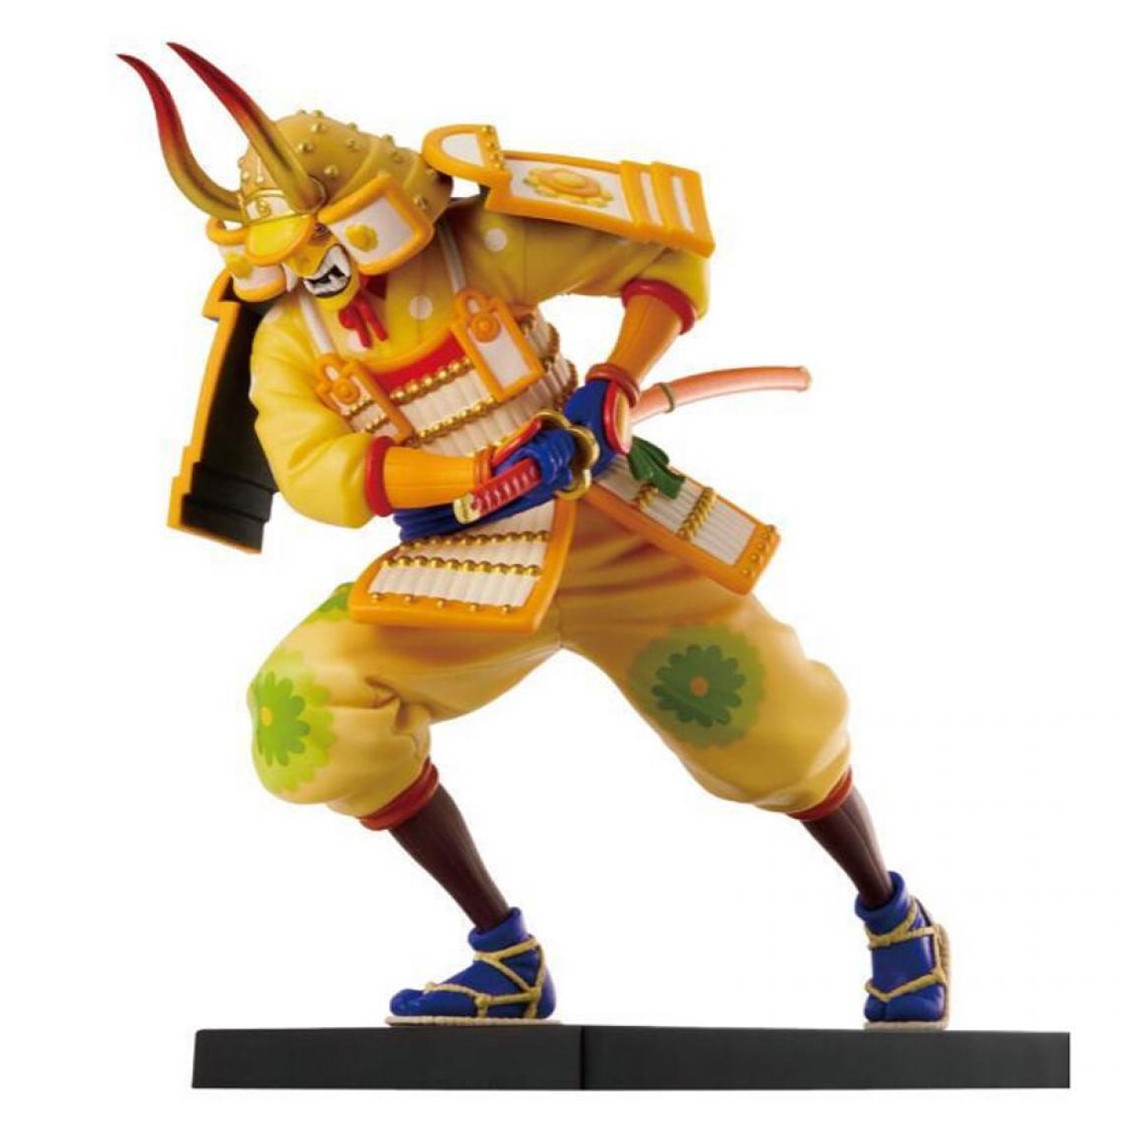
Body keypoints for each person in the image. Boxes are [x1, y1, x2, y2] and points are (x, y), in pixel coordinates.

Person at [124, 43, 949, 1029]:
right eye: (296, 259)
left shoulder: (476, 245)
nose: (323, 275)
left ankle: (892, 916)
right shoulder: (292, 339)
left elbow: (664, 258)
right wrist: (466, 476)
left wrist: (615, 383)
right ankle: (505, 959)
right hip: (458, 561)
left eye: (332, 245)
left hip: (608, 524)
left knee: (772, 722)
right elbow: (317, 474)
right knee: (311, 705)